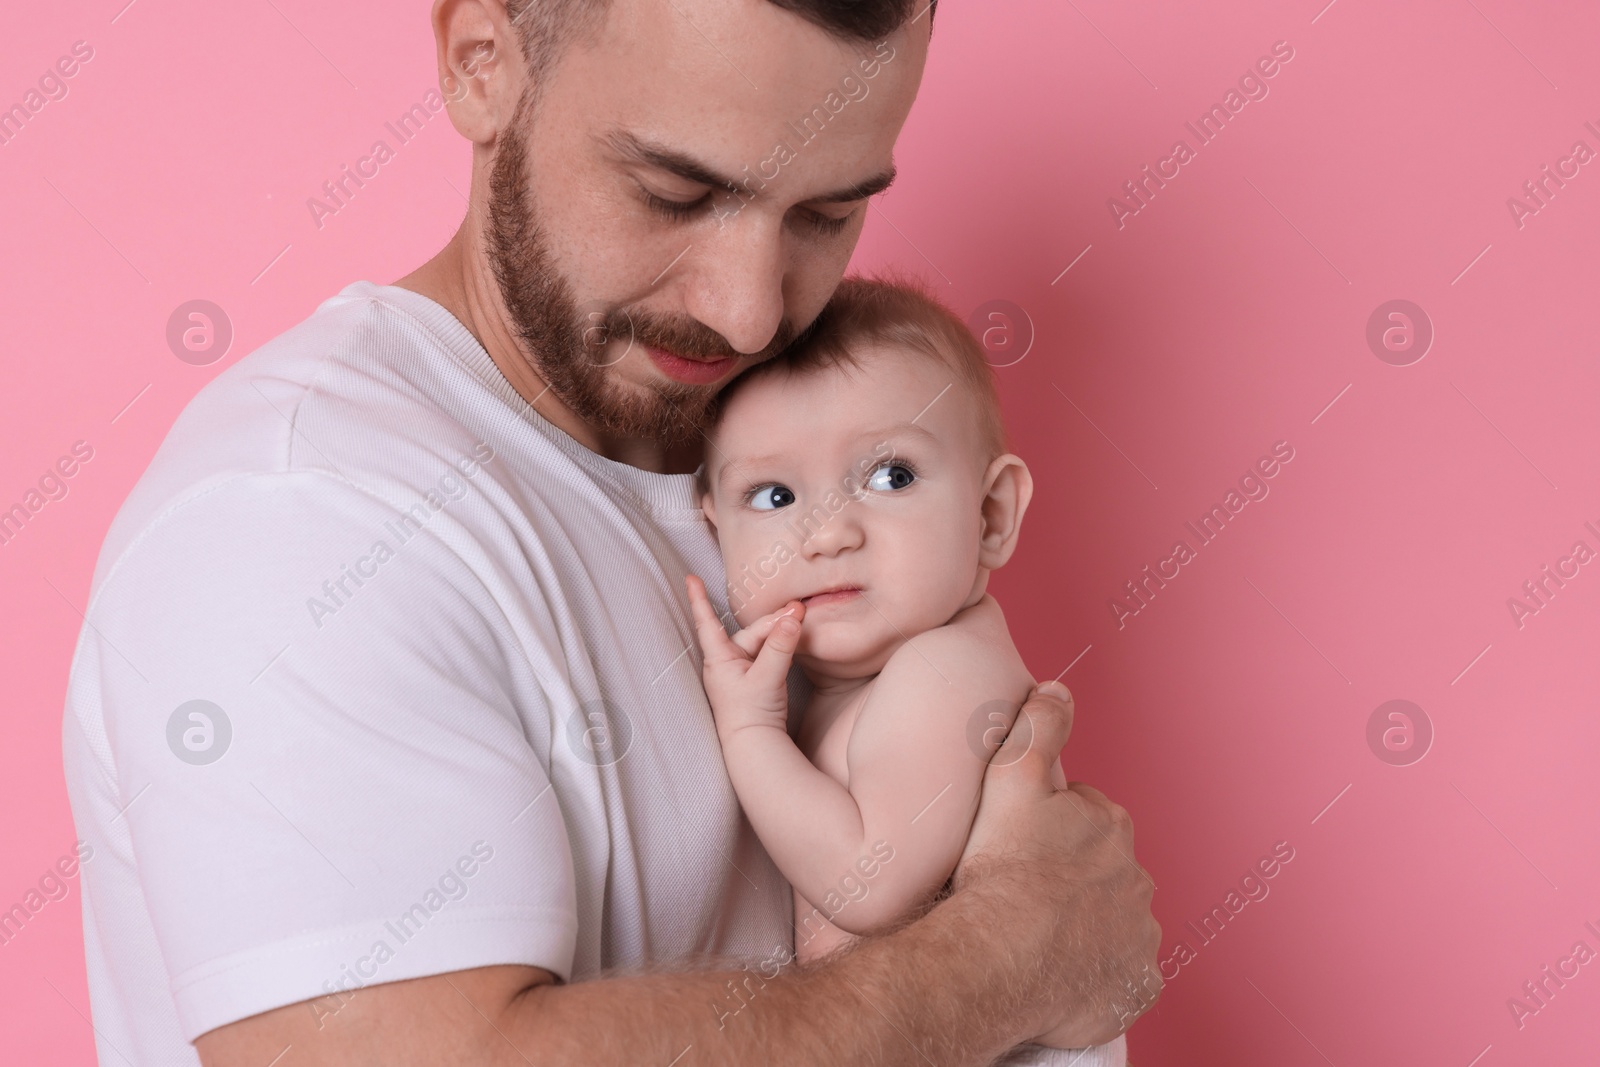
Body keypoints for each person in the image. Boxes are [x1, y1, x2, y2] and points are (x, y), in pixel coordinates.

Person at [60, 1, 1160, 1064]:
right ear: (481, 61)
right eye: (676, 193)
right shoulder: (300, 522)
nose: (749, 312)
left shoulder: (799, 447)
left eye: (825, 216)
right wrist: (1011, 955)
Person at [686, 274, 1127, 1065]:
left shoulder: (947, 671)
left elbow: (867, 881)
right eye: (775, 493)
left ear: (992, 515)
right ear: (713, 526)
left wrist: (748, 730)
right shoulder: (858, 681)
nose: (827, 533)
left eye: (890, 476)